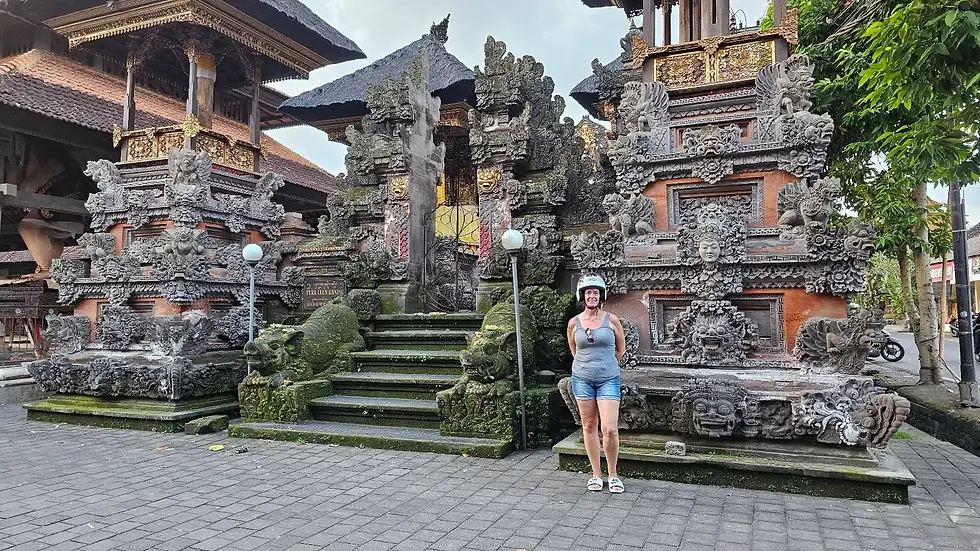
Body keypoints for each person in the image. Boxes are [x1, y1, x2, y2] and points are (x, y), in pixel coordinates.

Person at [566, 274, 627, 493]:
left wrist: (606, 365)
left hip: (608, 379)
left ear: (601, 296)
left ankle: (613, 474)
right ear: (582, 296)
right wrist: (586, 366)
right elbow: (574, 350)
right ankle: (596, 474)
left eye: (595, 293)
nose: (592, 296)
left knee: (609, 428)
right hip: (582, 379)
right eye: (588, 293)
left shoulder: (612, 320)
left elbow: (620, 349)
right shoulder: (574, 323)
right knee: (589, 426)